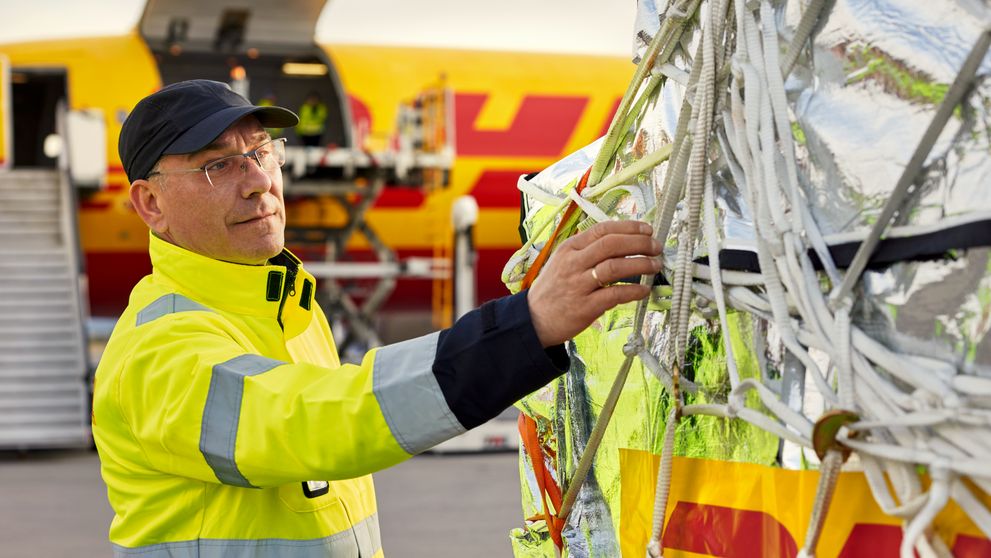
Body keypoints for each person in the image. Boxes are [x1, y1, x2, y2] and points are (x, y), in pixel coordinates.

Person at [93, 79, 661, 557]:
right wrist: (525, 325)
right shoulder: (159, 348)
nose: (259, 181)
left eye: (262, 151)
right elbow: (326, 419)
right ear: (150, 204)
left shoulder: (287, 308)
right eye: (218, 165)